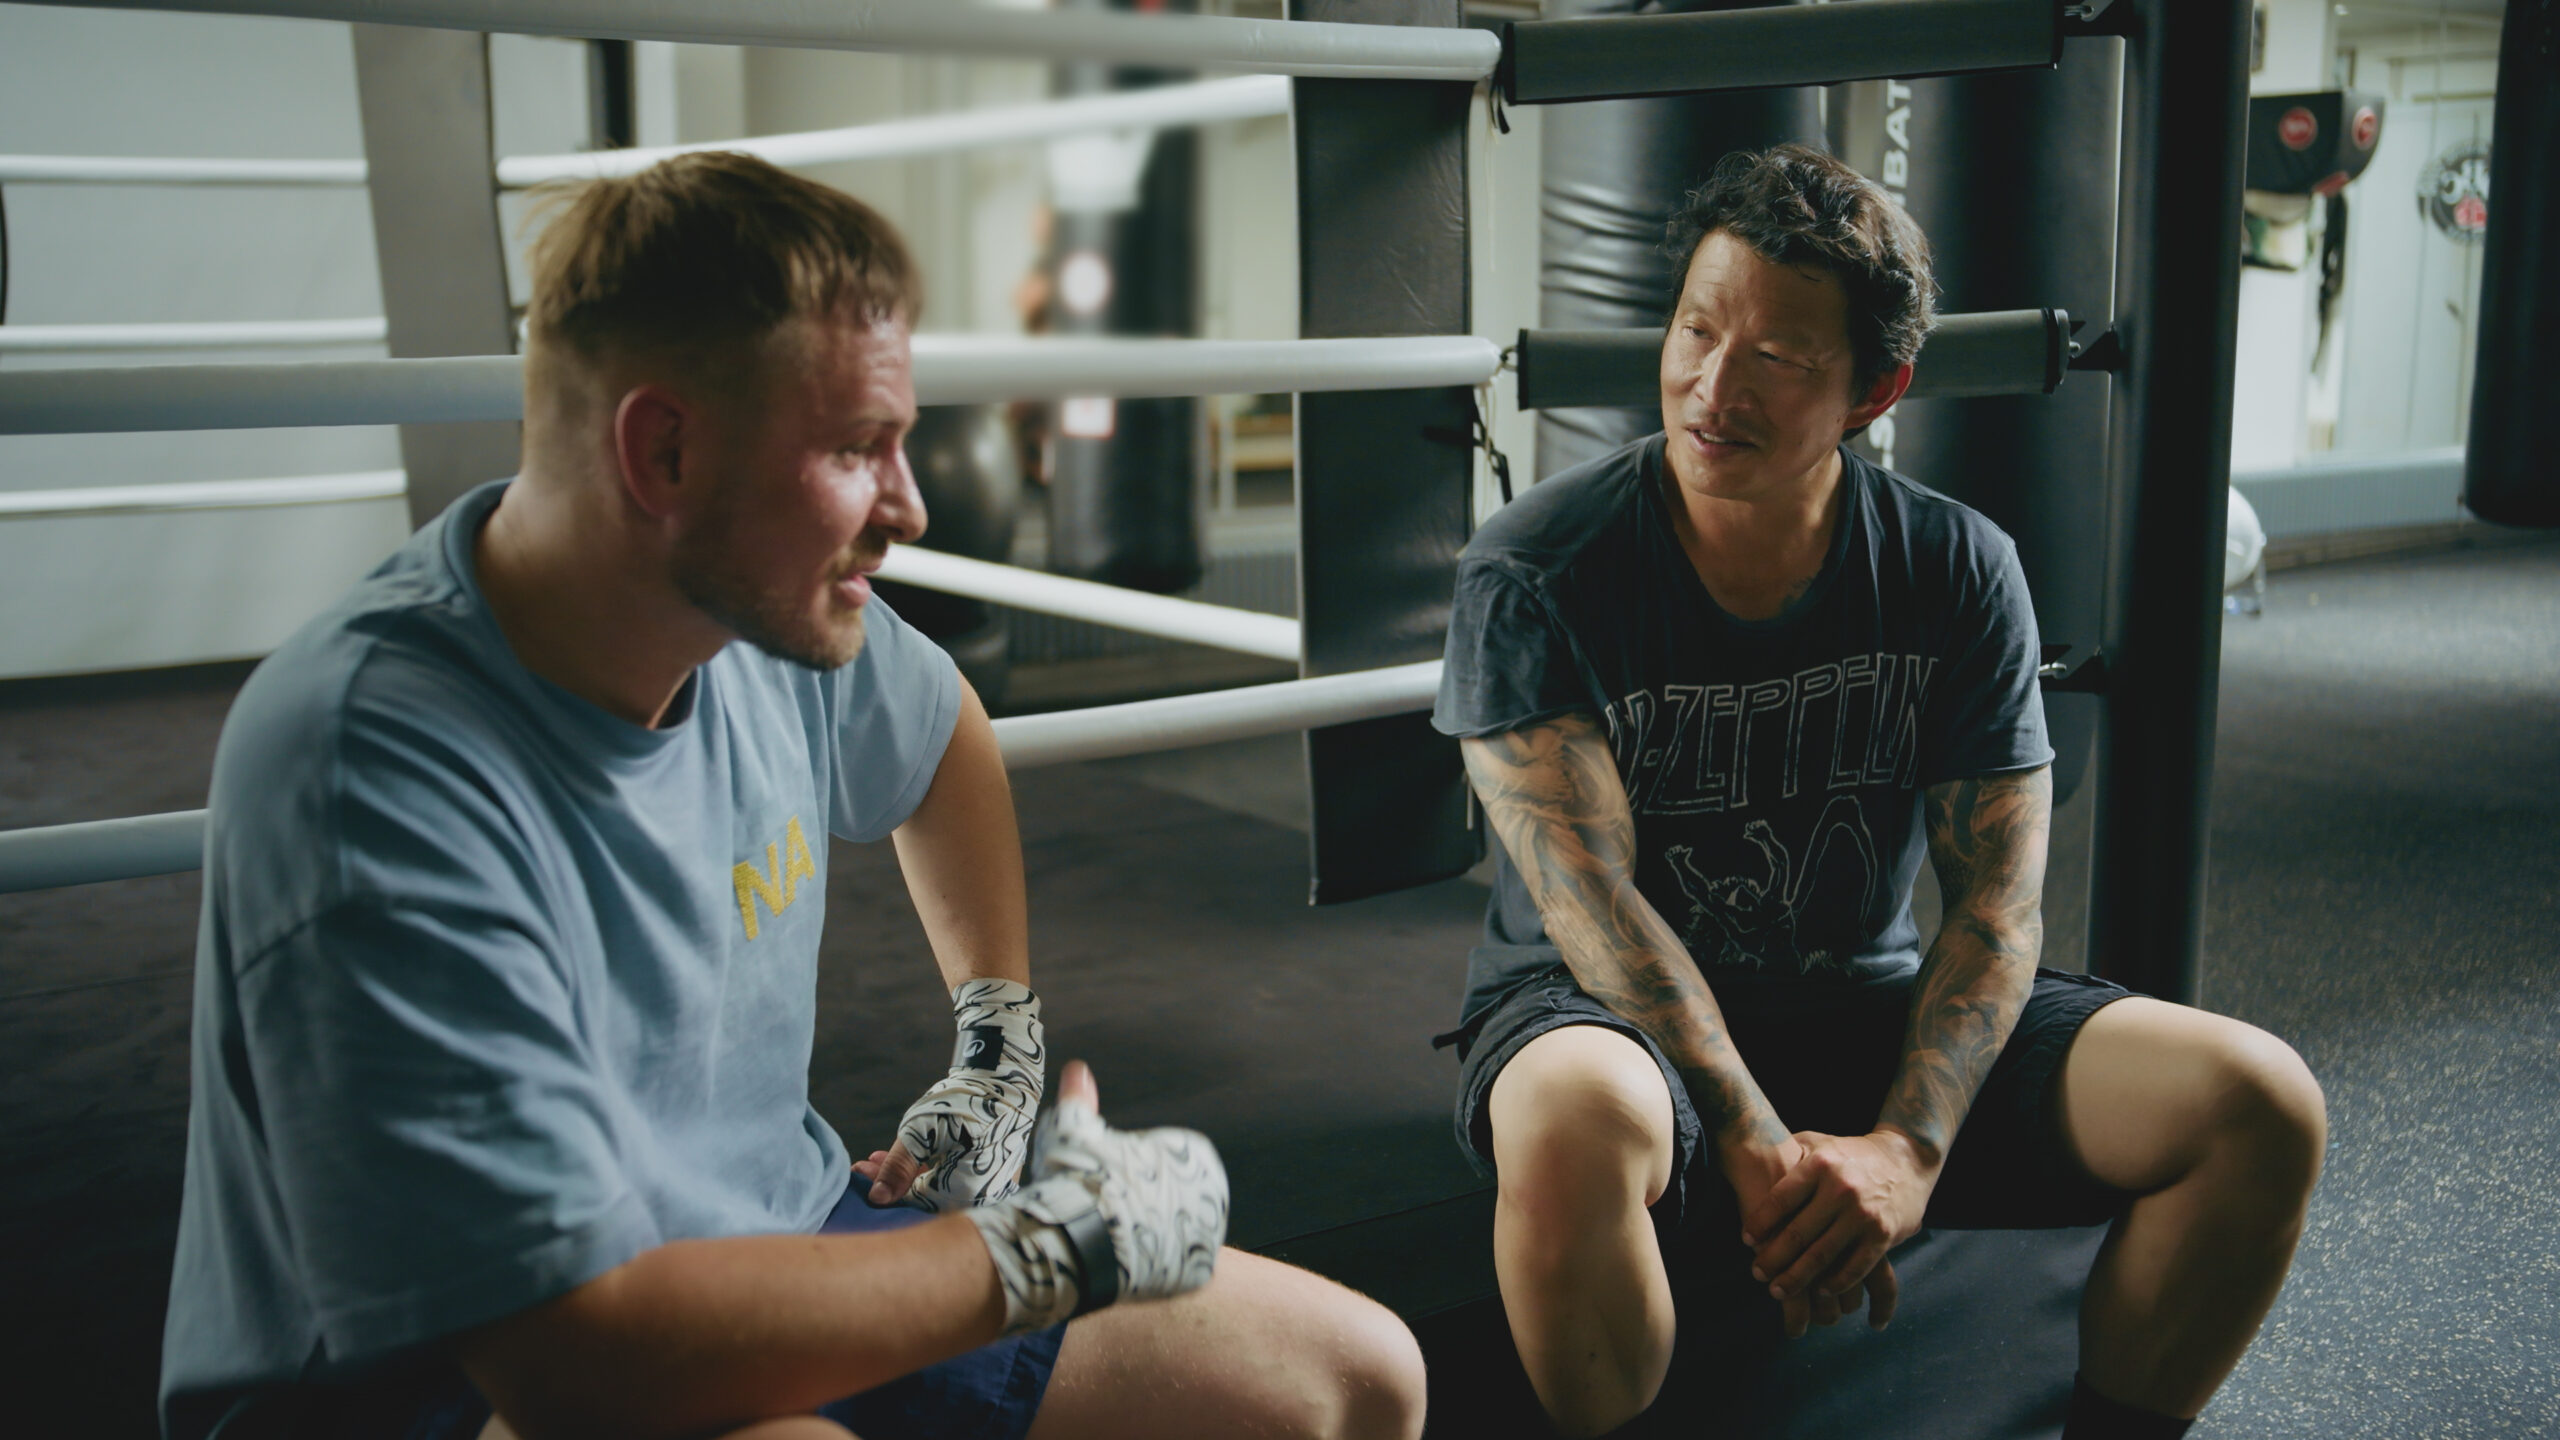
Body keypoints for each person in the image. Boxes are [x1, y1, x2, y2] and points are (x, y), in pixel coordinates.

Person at [160, 152, 1425, 1440]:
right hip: (446, 1375)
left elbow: (944, 741)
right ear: (663, 449)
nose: (913, 506)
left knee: (1353, 1377)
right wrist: (1045, 1249)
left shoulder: (764, 615)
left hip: (775, 1233)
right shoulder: (369, 766)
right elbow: (571, 1366)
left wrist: (996, 1046)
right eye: (856, 448)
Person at [1433, 145, 2326, 1440]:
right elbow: (1595, 906)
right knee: (1574, 1130)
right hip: (1596, 1016)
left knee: (2260, 1103)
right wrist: (1749, 1138)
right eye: (1696, 328)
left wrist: (1908, 1147)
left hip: (1861, 1003)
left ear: (1876, 387)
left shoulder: (1957, 568)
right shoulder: (1536, 571)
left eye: (1780, 358)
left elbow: (1997, 908)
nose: (1712, 386)